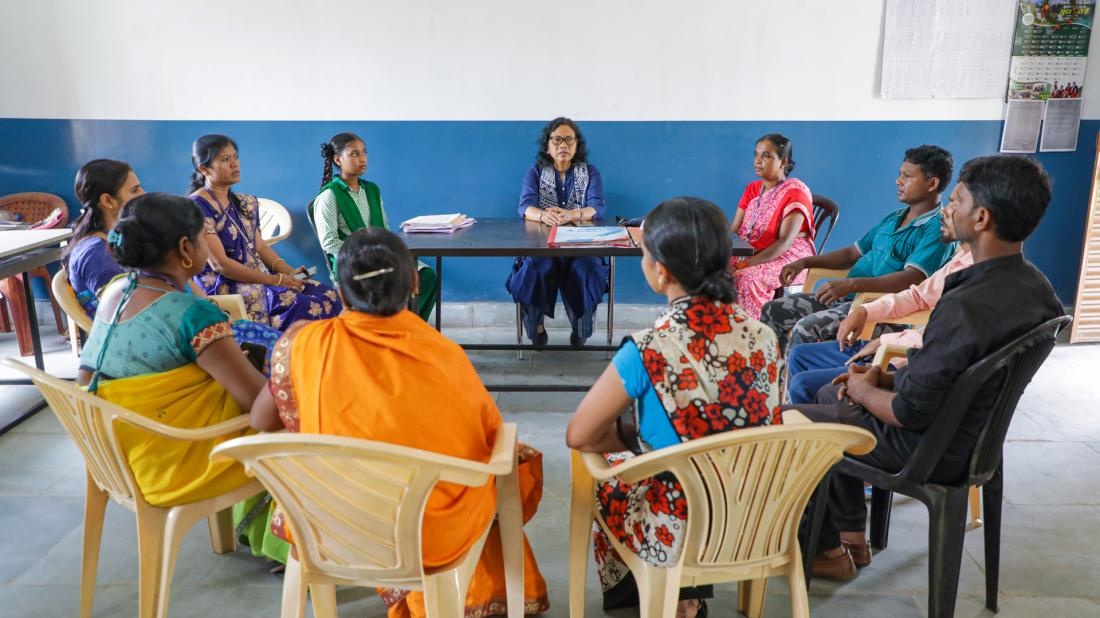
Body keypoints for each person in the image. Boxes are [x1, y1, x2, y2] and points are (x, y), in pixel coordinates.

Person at [250, 227, 550, 617]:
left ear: (341, 293)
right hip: (428, 534)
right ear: (413, 285)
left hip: (330, 523)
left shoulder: (302, 344)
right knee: (502, 462)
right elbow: (484, 438)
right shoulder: (443, 354)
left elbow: (261, 419)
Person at [794, 155, 1063, 580]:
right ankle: (850, 537)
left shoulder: (966, 304)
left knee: (792, 420)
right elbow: (954, 372)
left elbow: (908, 411)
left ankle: (829, 551)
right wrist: (882, 376)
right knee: (830, 392)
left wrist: (865, 389)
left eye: (957, 200)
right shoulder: (1036, 289)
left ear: (981, 218)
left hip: (931, 448)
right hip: (972, 437)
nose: (948, 209)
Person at [566, 197, 782, 618]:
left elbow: (580, 434)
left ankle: (649, 596)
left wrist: (636, 437)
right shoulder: (764, 337)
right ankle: (689, 597)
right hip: (753, 516)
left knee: (615, 475)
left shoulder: (649, 347)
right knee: (702, 466)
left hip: (678, 528)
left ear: (661, 271)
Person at [76, 192, 289, 562]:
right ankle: (289, 544)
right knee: (296, 416)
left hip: (118, 453)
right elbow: (260, 408)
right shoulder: (192, 315)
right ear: (186, 249)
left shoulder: (114, 291)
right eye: (205, 236)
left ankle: (261, 530)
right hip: (174, 463)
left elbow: (88, 373)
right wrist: (291, 362)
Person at [65, 159, 283, 376]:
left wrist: (216, 315)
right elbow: (128, 323)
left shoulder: (129, 248)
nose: (143, 194)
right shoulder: (97, 254)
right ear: (107, 200)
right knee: (278, 361)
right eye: (134, 189)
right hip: (161, 358)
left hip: (179, 339)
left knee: (274, 344)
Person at [761, 145, 956, 354]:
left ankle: (797, 375)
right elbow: (852, 253)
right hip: (849, 299)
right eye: (900, 174)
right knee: (773, 310)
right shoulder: (895, 217)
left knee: (806, 328)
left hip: (881, 313)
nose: (898, 181)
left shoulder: (937, 230)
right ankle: (774, 372)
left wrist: (852, 284)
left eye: (907, 176)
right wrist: (804, 262)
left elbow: (911, 279)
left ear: (932, 184)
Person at [188, 134, 342, 331]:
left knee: (329, 295)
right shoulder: (198, 206)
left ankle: (321, 348)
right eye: (225, 159)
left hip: (259, 276)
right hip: (227, 286)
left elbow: (260, 246)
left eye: (235, 157)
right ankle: (287, 348)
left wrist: (289, 272)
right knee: (302, 304)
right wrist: (276, 280)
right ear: (204, 169)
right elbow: (220, 265)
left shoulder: (243, 203)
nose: (235, 164)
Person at [786, 244, 973, 404]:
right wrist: (865, 311)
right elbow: (918, 295)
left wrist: (885, 340)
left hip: (903, 359)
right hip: (892, 344)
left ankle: (815, 429)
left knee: (802, 384)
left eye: (953, 211)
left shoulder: (981, 280)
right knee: (799, 356)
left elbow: (946, 340)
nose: (945, 215)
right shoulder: (963, 259)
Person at [313, 131, 438, 320]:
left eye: (364, 152)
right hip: (351, 261)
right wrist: (366, 254)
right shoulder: (329, 196)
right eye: (355, 154)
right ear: (338, 159)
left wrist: (391, 250)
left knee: (426, 275)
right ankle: (390, 326)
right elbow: (329, 242)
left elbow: (384, 229)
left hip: (381, 254)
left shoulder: (372, 190)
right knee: (389, 278)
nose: (363, 158)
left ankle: (406, 325)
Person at [506, 117, 607, 347]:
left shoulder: (590, 172)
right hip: (543, 245)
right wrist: (544, 215)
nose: (563, 145)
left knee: (586, 268)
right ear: (547, 146)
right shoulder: (536, 172)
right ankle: (535, 327)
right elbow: (525, 207)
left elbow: (597, 207)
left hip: (581, 246)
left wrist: (572, 214)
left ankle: (582, 327)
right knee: (535, 267)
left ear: (577, 145)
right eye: (557, 140)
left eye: (569, 140)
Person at [728, 134, 816, 319]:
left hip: (788, 254)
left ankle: (752, 331)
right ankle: (719, 326)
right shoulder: (752, 189)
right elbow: (734, 230)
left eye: (766, 155)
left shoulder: (796, 192)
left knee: (745, 277)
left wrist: (745, 264)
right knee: (711, 267)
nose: (758, 161)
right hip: (752, 248)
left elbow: (784, 243)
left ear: (783, 161)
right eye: (756, 155)